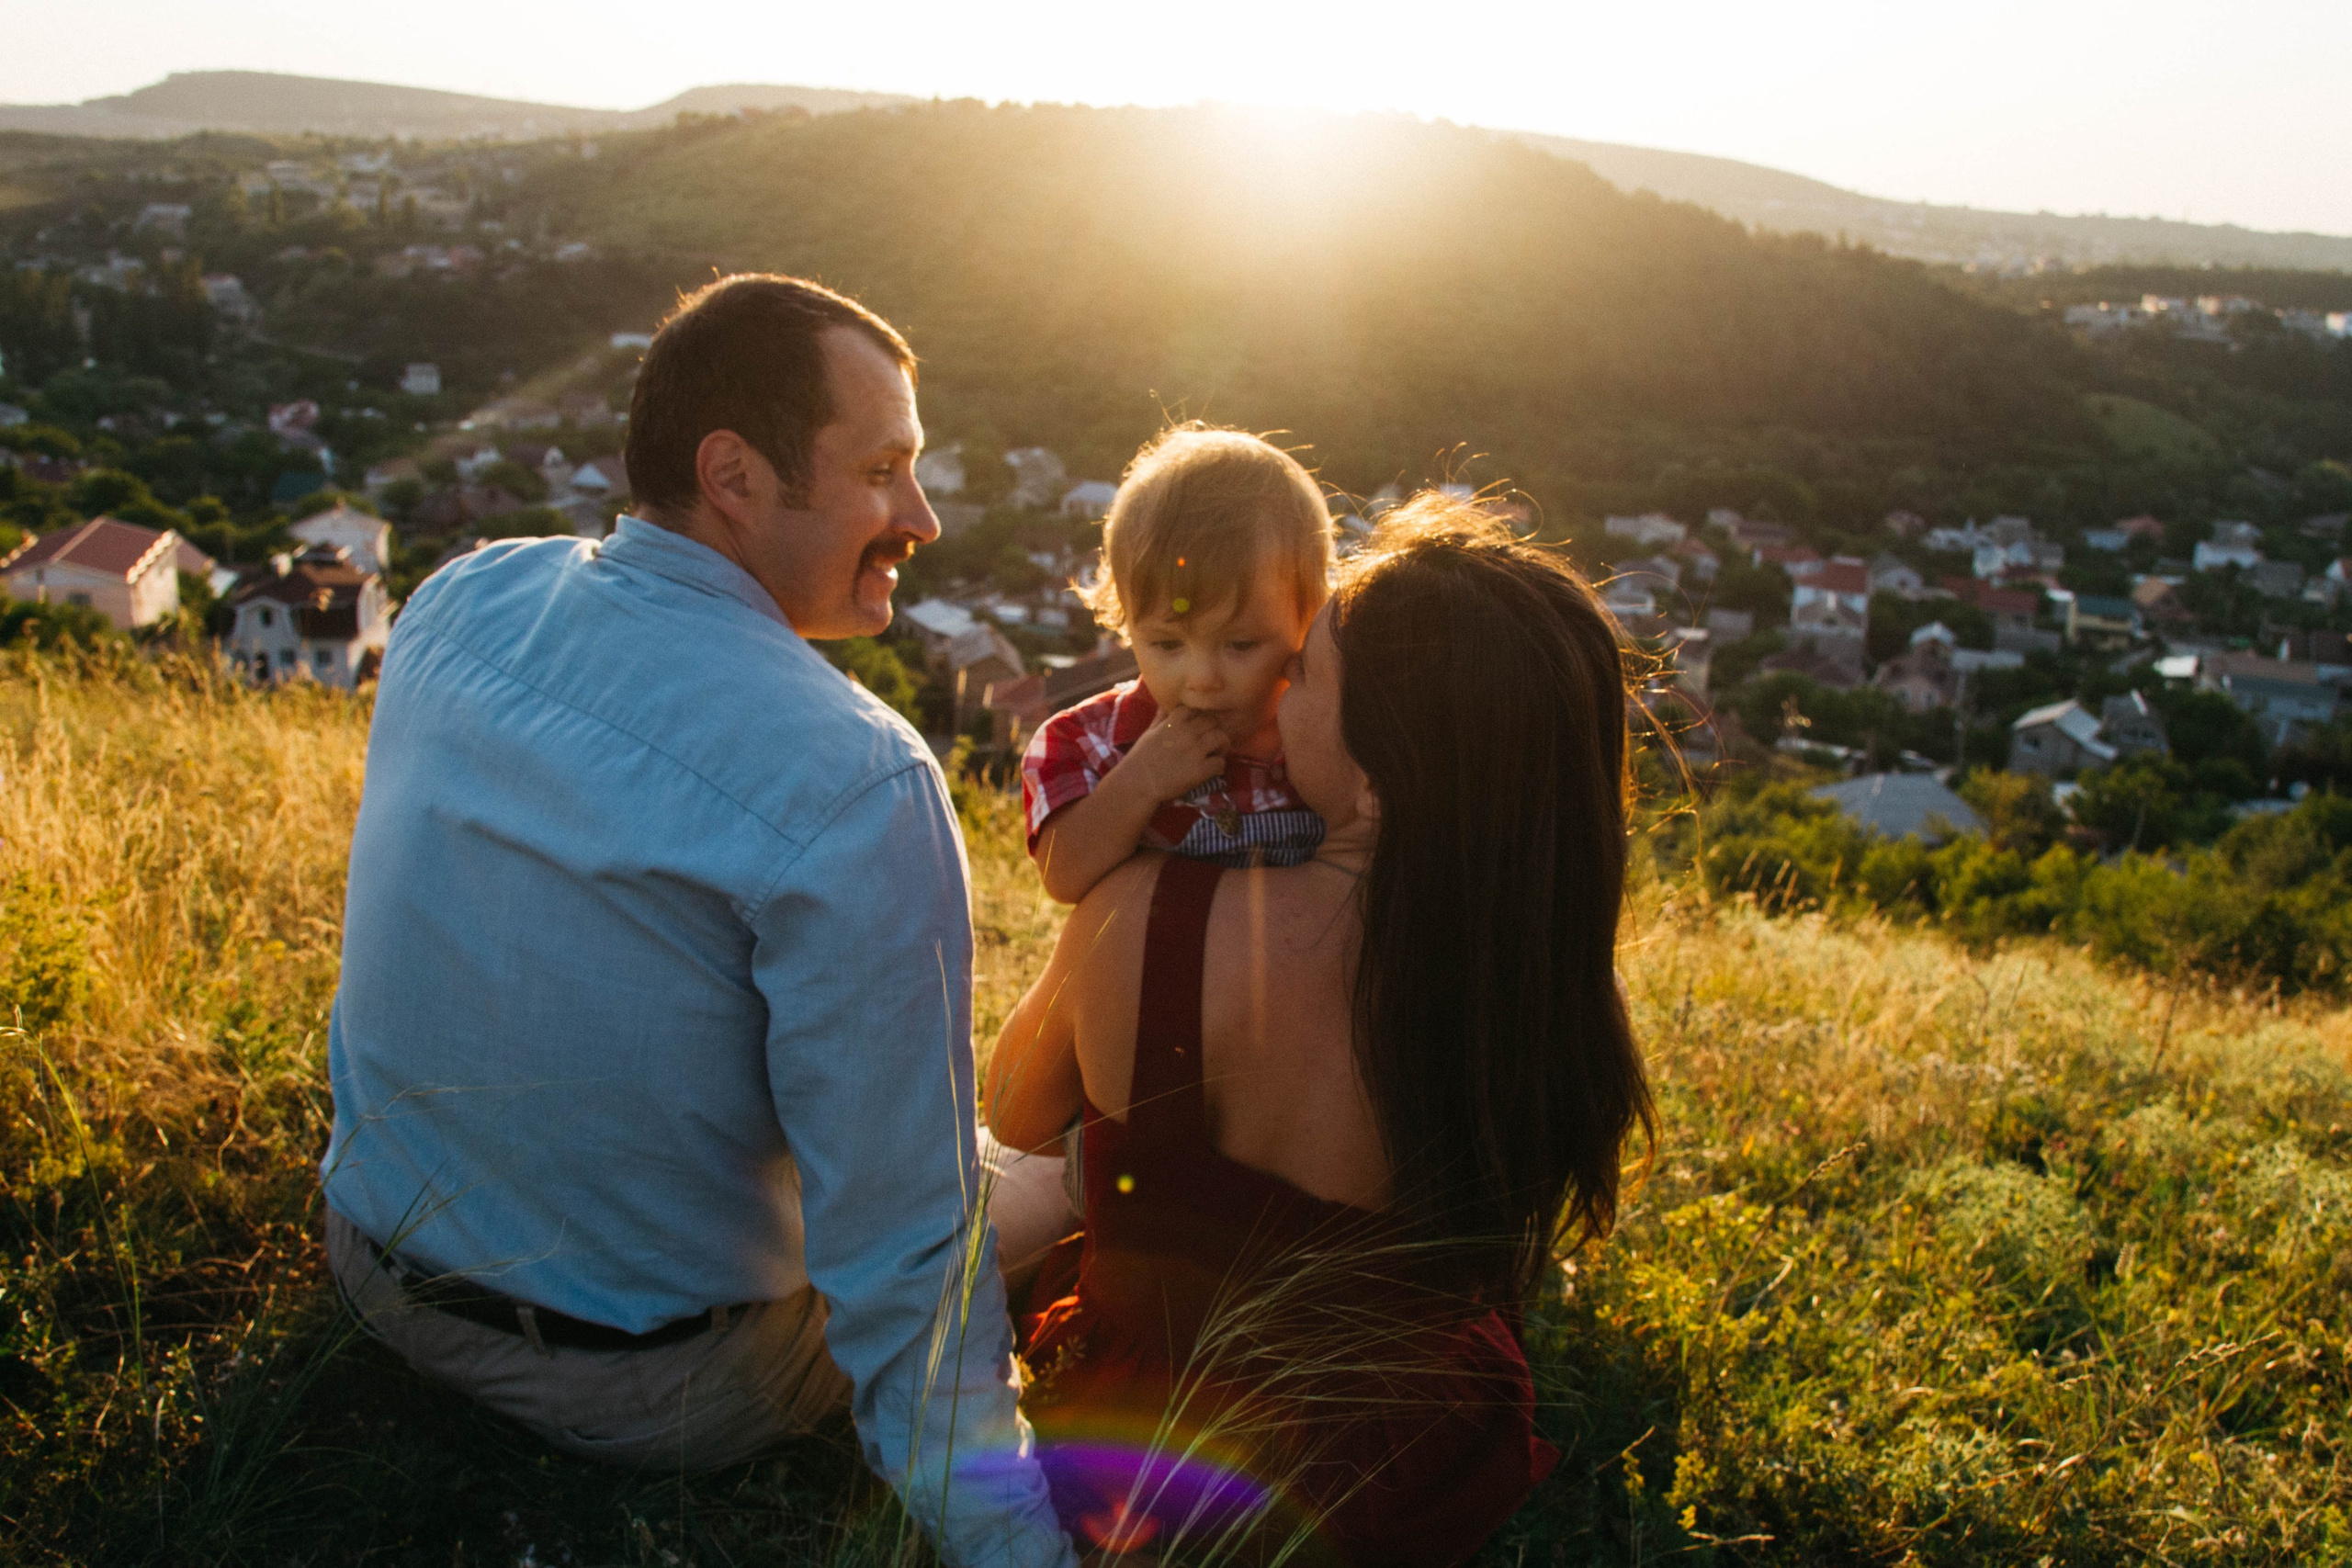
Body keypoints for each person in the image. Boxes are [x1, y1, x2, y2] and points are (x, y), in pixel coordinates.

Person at [320, 274, 1075, 1568]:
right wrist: (1019, 1546)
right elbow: (905, 1262)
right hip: (643, 1386)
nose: (923, 516)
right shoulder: (857, 779)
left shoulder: (460, 598)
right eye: (884, 468)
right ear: (732, 471)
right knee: (1063, 1181)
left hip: (379, 1273)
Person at [986, 496, 1655, 1565]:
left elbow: (1012, 1111)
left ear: (1383, 784)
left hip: (1151, 1453)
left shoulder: (1142, 915)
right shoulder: (1526, 972)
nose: (1269, 693)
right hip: (1407, 1458)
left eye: (1306, 674)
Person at [1020, 426, 1331, 906]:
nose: (1202, 680)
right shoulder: (1089, 744)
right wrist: (1140, 782)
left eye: (1241, 644)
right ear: (1125, 618)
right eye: (1167, 644)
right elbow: (1063, 877)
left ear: (1310, 615)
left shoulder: (1337, 737)